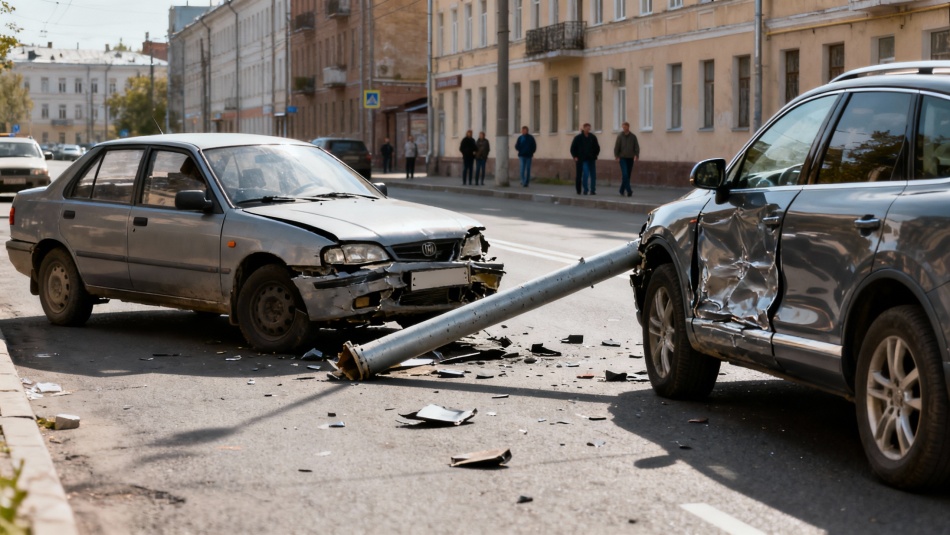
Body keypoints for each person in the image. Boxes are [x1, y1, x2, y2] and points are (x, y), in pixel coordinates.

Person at [570, 123, 600, 195]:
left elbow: (597, 147)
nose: (588, 129)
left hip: (592, 158)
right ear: (584, 128)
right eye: (587, 128)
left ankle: (593, 190)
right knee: (586, 173)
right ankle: (585, 189)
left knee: (593, 175)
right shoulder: (578, 138)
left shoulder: (592, 137)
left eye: (589, 128)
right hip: (583, 159)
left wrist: (595, 154)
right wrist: (575, 156)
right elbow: (572, 148)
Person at [613, 122, 640, 197]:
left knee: (628, 175)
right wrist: (616, 155)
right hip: (622, 158)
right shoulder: (620, 136)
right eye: (623, 127)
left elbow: (636, 146)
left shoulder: (633, 137)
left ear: (628, 127)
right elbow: (616, 147)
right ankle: (629, 190)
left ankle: (621, 190)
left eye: (625, 127)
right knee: (625, 174)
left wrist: (636, 155)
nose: (624, 128)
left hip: (630, 158)